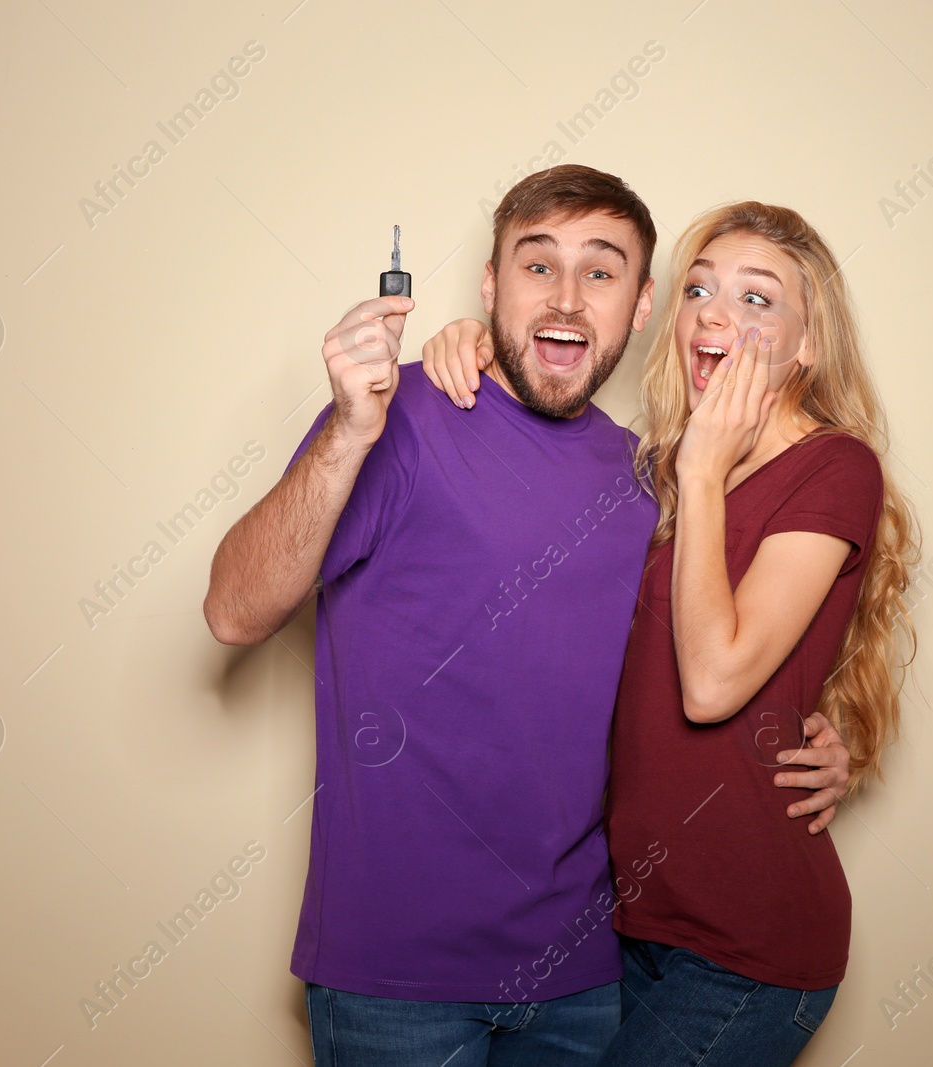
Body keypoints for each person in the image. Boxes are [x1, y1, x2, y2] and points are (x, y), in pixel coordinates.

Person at [202, 167, 853, 1067]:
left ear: (642, 306)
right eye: (537, 265)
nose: (568, 299)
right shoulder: (400, 422)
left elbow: (713, 659)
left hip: (586, 976)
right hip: (394, 978)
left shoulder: (655, 482)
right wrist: (350, 431)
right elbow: (234, 612)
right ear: (490, 286)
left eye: (601, 271)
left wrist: (820, 735)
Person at [421, 200, 920, 1066]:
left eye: (758, 298)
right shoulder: (651, 469)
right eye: (699, 288)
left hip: (747, 952)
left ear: (809, 345)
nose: (717, 314)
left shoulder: (833, 468)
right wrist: (472, 341)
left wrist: (701, 471)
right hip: (630, 928)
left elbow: (715, 680)